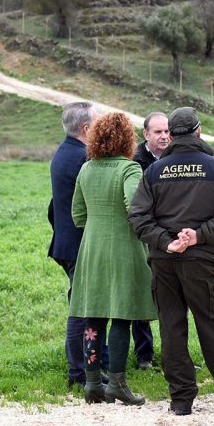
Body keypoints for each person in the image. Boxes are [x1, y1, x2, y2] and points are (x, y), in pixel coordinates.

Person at [128, 107, 214, 417]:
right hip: (203, 262)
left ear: (172, 135)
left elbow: (137, 216)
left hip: (164, 261)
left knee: (171, 328)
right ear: (199, 132)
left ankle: (181, 399)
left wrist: (167, 241)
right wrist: (199, 236)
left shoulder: (153, 171)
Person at [70, 112, 156, 405]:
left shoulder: (86, 170)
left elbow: (77, 216)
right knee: (121, 314)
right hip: (123, 249)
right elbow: (135, 208)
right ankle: (117, 384)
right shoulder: (130, 170)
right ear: (126, 139)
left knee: (94, 315)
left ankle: (93, 384)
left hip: (92, 249)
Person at [48, 101, 106, 390]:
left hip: (69, 242)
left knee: (85, 304)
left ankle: (91, 366)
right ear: (86, 128)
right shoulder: (82, 158)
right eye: (98, 123)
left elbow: (52, 208)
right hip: (79, 245)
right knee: (81, 309)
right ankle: (79, 371)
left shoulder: (64, 153)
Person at [130, 111, 169, 370]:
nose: (164, 136)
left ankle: (172, 355)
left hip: (170, 234)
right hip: (144, 235)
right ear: (146, 135)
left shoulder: (175, 158)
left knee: (172, 298)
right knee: (141, 293)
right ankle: (144, 356)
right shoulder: (136, 162)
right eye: (158, 132)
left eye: (167, 131)